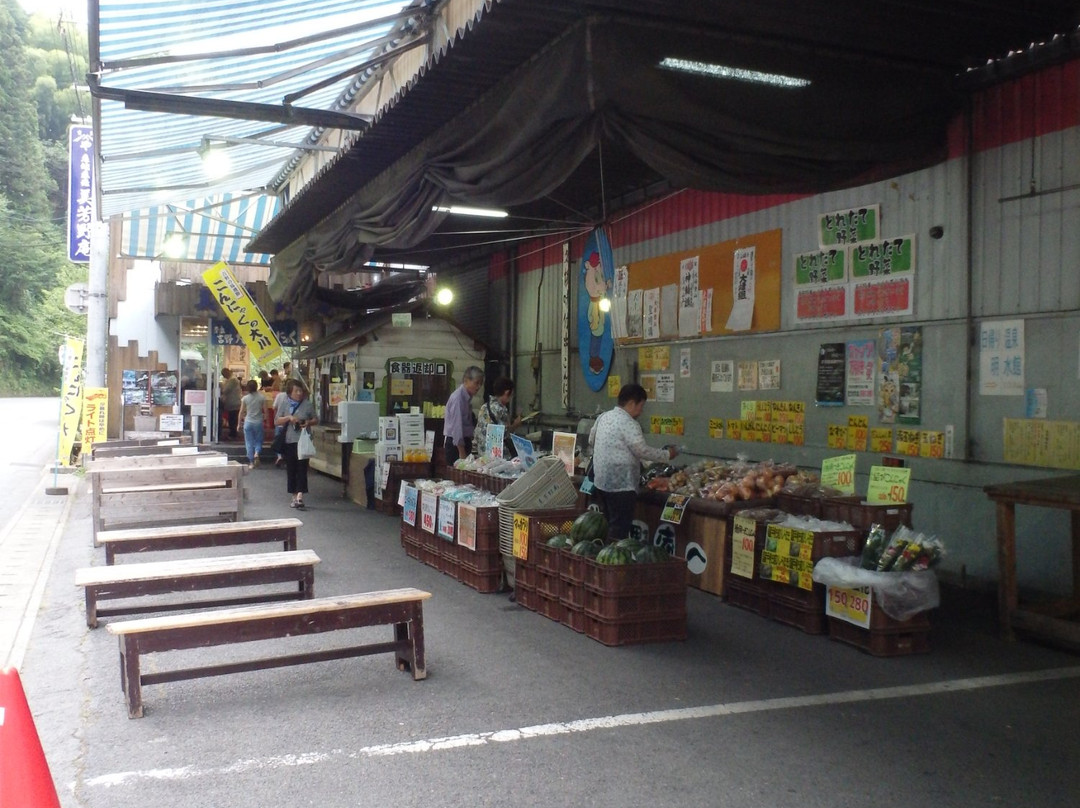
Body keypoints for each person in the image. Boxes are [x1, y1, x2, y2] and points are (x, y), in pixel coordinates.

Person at [588, 383, 678, 542]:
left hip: (601, 481)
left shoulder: (603, 417)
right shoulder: (629, 423)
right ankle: (612, 561)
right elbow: (641, 451)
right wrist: (666, 454)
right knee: (619, 528)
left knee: (608, 522)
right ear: (631, 403)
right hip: (621, 484)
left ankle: (602, 555)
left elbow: (591, 440)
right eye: (641, 406)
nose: (641, 411)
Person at [275, 379, 318, 509]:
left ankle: (300, 496)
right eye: (296, 391)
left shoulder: (307, 404)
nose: (299, 393)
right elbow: (277, 421)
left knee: (302, 468)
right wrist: (289, 418)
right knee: (291, 469)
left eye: (300, 391)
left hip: (303, 440)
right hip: (289, 440)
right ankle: (293, 495)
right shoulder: (284, 403)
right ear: (290, 392)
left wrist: (308, 423)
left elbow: (316, 419)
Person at [443, 366, 484, 464]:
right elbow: (457, 428)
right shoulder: (458, 399)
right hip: (456, 446)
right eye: (476, 383)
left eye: (481, 384)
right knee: (457, 477)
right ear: (466, 380)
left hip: (463, 442)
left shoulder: (466, 397)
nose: (479, 387)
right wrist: (462, 453)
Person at [474, 377, 522, 457]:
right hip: (496, 454)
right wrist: (516, 425)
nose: (511, 398)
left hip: (482, 452)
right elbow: (505, 433)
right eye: (511, 395)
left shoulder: (484, 407)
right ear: (507, 393)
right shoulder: (501, 410)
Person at [238, 379, 266, 469]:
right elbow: (265, 411)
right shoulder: (262, 397)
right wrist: (268, 421)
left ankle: (251, 462)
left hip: (248, 422)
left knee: (249, 442)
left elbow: (241, 412)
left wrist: (238, 424)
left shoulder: (245, 398)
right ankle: (257, 453)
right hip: (258, 422)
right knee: (258, 440)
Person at [219, 368, 242, 440]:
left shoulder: (232, 380)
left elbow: (225, 390)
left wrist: (221, 386)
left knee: (233, 419)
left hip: (233, 402)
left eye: (224, 375)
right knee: (232, 419)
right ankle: (232, 433)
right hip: (232, 402)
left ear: (227, 373)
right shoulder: (231, 380)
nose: (224, 376)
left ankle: (233, 434)